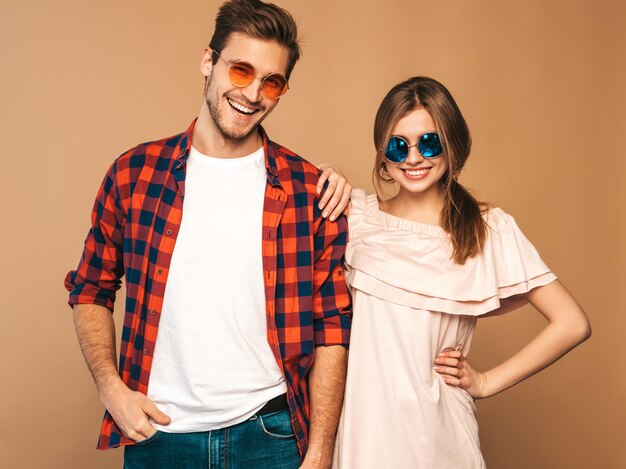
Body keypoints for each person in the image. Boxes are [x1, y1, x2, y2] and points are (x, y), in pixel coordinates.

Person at [65, 1, 352, 468]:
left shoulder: (307, 189)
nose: (253, 93)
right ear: (208, 62)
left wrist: (320, 452)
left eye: (271, 81)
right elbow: (90, 288)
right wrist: (111, 389)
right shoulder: (134, 174)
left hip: (272, 436)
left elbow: (332, 329)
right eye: (241, 70)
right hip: (160, 436)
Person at [332, 76, 591, 468]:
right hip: (363, 437)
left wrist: (485, 382)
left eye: (429, 142)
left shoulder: (488, 229)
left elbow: (572, 322)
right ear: (383, 153)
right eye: (398, 146)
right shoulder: (356, 218)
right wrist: (319, 176)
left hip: (442, 440)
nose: (413, 158)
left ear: (452, 144)